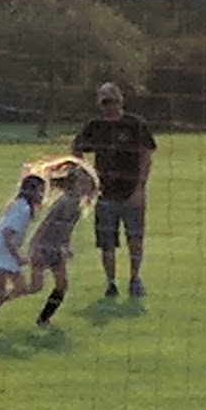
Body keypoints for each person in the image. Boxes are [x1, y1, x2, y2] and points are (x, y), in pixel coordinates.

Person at [71, 81, 156, 298]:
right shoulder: (95, 126)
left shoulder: (135, 124)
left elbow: (146, 155)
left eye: (113, 101)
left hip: (131, 192)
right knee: (106, 243)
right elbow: (76, 148)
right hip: (104, 195)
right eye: (105, 102)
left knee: (135, 239)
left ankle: (135, 279)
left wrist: (140, 188)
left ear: (121, 100)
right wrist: (85, 176)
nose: (109, 106)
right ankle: (111, 283)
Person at [25, 159, 98, 328]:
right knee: (35, 287)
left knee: (62, 285)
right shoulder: (65, 202)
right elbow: (44, 226)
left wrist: (65, 246)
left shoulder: (76, 203)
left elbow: (67, 229)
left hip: (56, 249)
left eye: (88, 183)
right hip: (43, 248)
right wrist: (35, 247)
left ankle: (44, 319)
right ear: (74, 184)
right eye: (83, 183)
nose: (87, 186)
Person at [0, 170, 46, 333]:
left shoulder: (20, 205)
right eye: (41, 191)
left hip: (2, 255)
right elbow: (7, 236)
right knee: (1, 294)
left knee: (18, 288)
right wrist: (18, 257)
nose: (43, 195)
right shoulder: (23, 209)